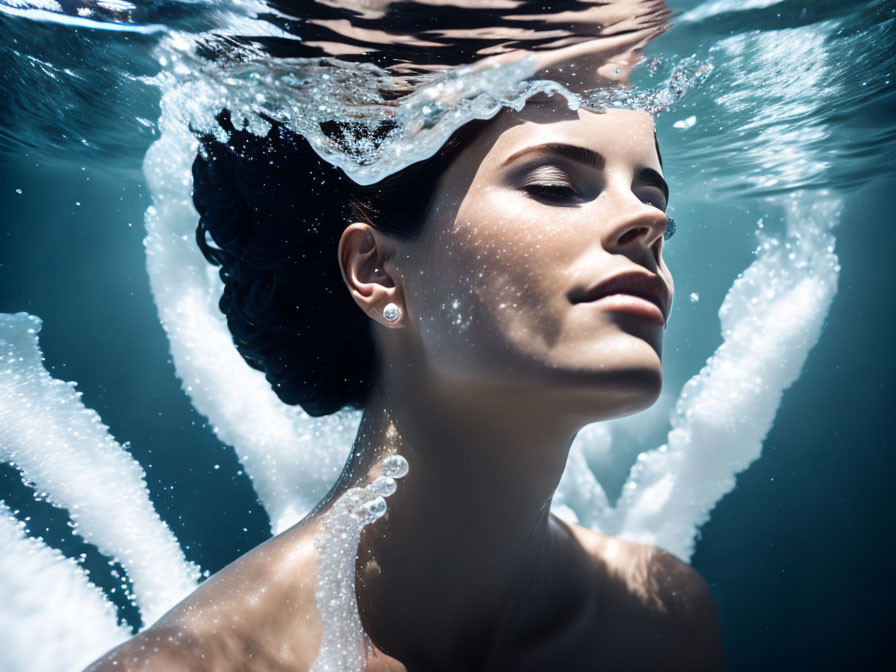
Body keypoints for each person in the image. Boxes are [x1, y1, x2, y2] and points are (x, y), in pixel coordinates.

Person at [85, 95, 726, 671]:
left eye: (657, 203)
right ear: (376, 269)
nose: (647, 223)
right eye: (555, 185)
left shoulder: (666, 618)